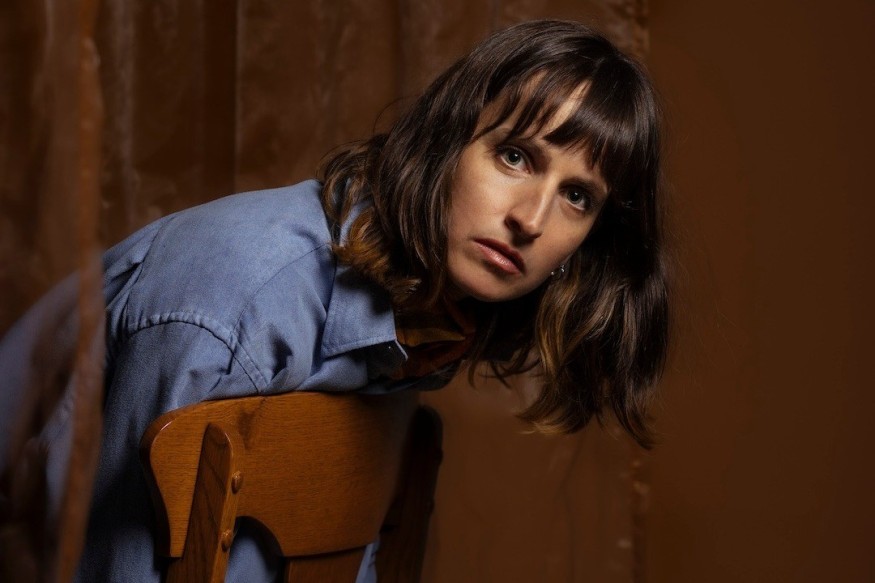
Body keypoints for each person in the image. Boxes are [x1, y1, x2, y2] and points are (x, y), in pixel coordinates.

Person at [1, 19, 669, 582]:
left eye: (577, 196)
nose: (531, 218)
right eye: (515, 156)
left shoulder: (429, 322)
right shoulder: (238, 300)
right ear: (447, 141)